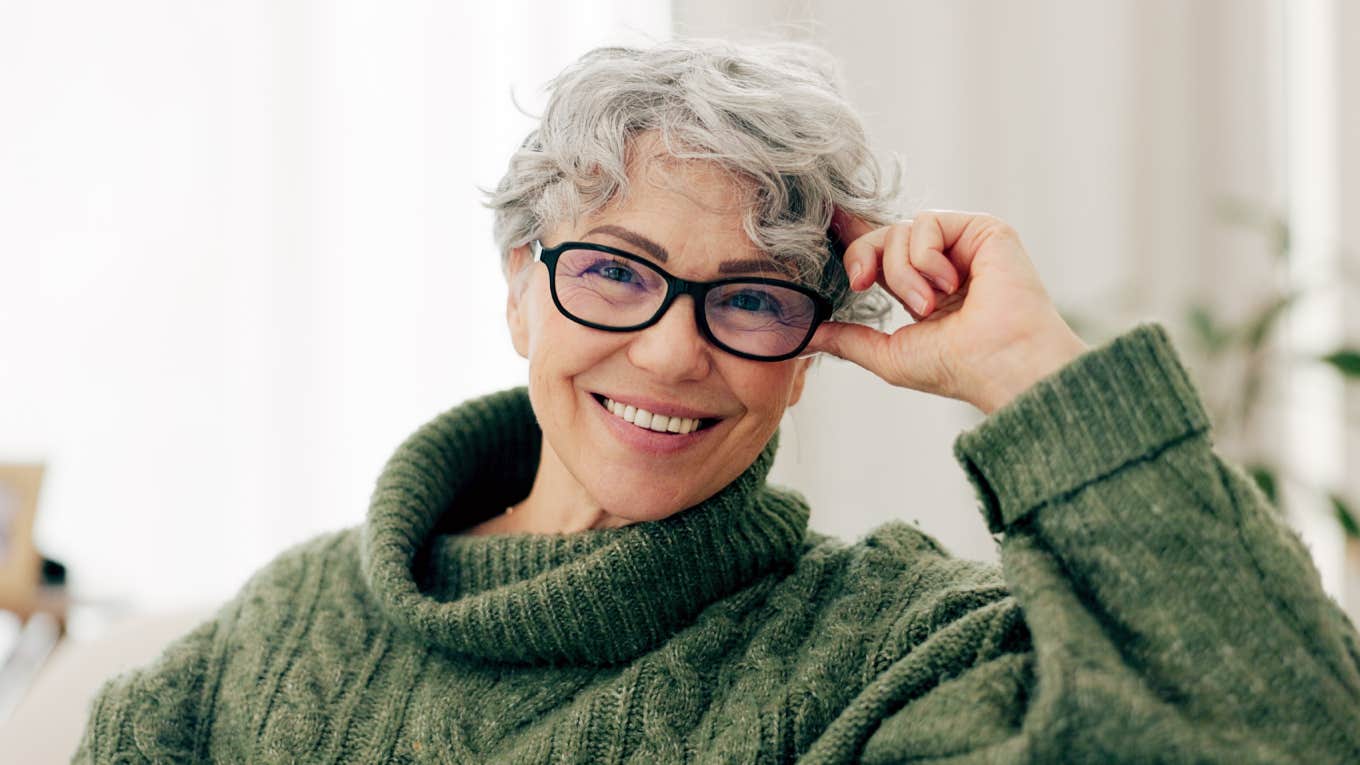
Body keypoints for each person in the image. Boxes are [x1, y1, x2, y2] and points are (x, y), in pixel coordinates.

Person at [75, 39, 1359, 764]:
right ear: (520, 289)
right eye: (618, 273)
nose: (676, 356)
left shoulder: (889, 651)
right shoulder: (286, 632)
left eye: (749, 298)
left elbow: (1294, 736)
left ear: (811, 348)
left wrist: (1032, 376)